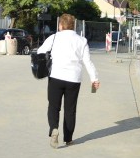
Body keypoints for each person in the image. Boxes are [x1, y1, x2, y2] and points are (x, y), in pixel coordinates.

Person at [35, 13, 100, 148]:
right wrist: (94, 79)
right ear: (73, 26)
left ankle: (54, 128)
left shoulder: (54, 38)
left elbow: (40, 52)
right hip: (73, 79)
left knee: (53, 106)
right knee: (70, 109)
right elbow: (88, 62)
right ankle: (68, 138)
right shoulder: (81, 41)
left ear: (61, 25)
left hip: (56, 76)